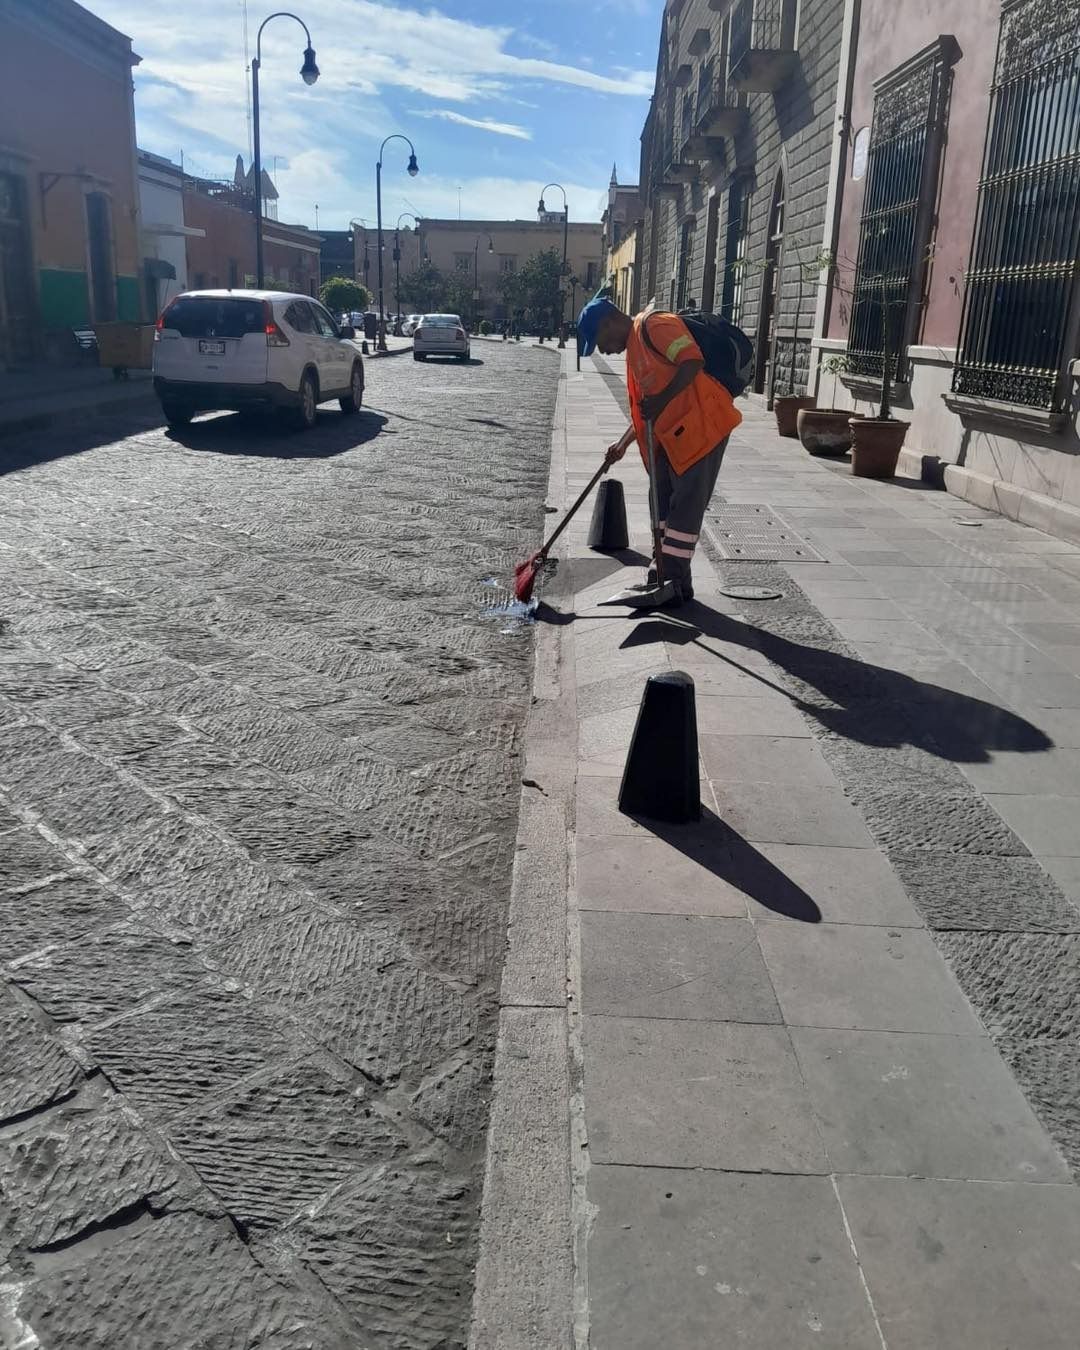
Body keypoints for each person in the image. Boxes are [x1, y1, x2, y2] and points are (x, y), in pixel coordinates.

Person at [576, 296, 741, 608]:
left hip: (703, 430)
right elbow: (646, 410)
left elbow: (692, 361)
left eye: (600, 343)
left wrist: (663, 399)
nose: (605, 351)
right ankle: (669, 578)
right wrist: (622, 445)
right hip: (674, 437)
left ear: (609, 322)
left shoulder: (655, 325)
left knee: (684, 510)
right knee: (661, 506)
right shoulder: (635, 348)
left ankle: (670, 580)